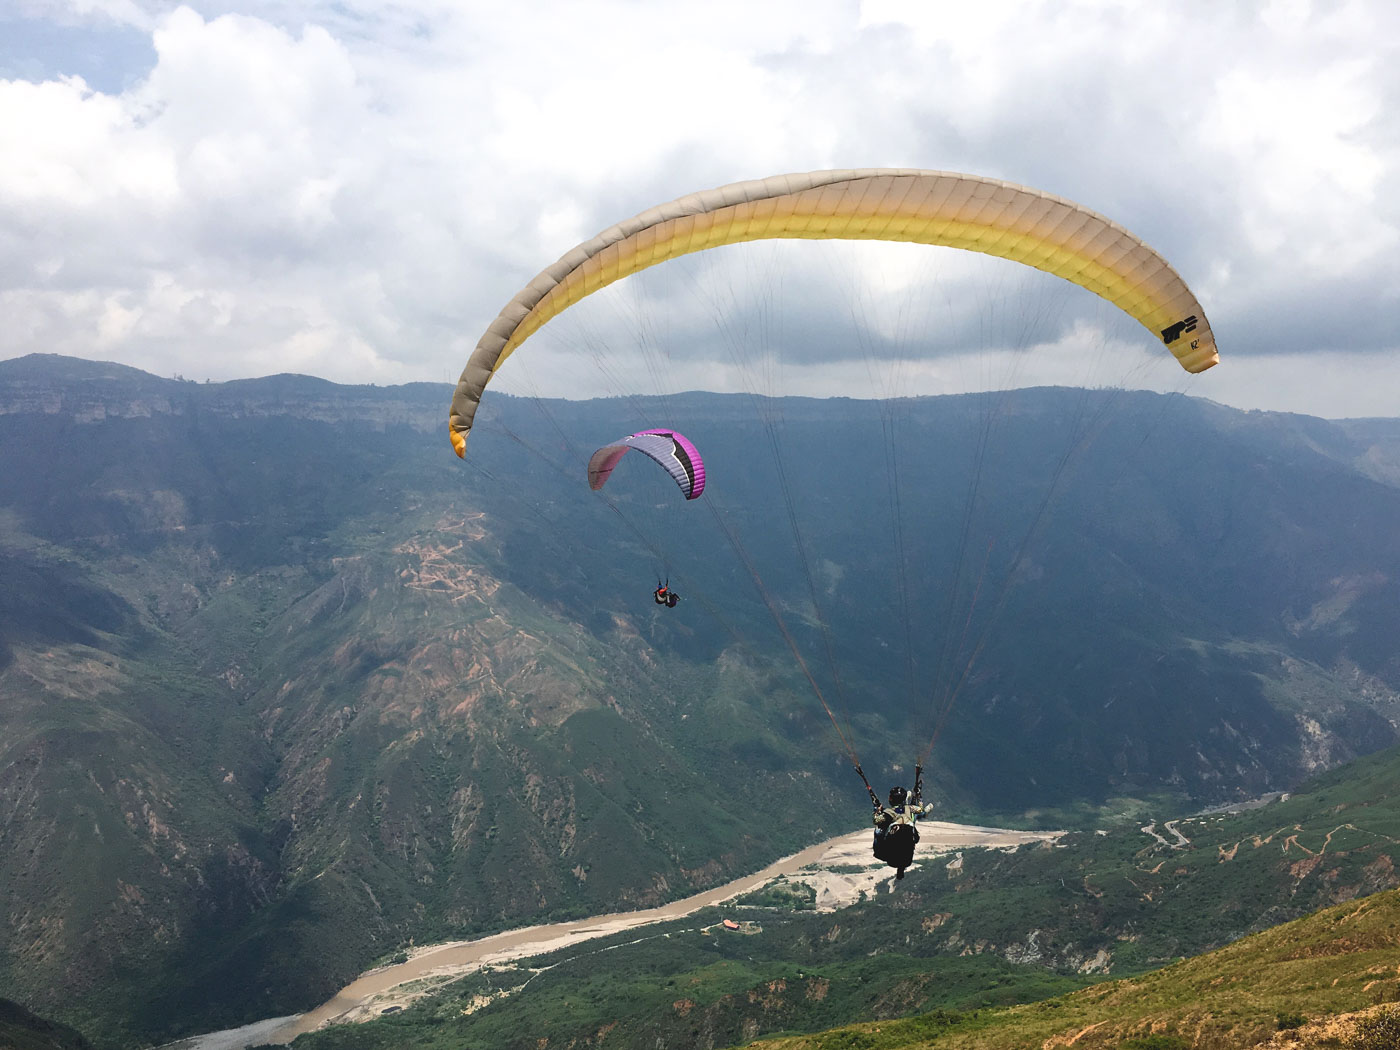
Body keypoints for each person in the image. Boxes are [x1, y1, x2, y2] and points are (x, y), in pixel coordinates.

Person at [872, 774, 930, 880]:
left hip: (891, 857)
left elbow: (876, 820)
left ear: (891, 799)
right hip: (907, 857)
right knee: (912, 820)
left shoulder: (888, 813)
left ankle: (877, 852)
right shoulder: (910, 808)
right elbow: (920, 809)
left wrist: (877, 811)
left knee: (878, 831)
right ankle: (921, 809)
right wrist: (919, 797)